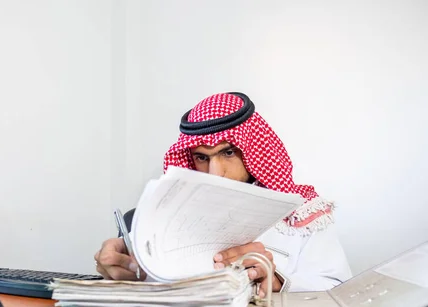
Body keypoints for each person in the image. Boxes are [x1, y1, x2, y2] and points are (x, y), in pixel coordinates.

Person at [94, 92, 352, 296]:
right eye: (201, 157)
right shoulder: (158, 221)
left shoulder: (303, 218)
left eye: (228, 153)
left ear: (254, 151)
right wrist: (122, 269)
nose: (215, 172)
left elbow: (341, 292)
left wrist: (279, 282)